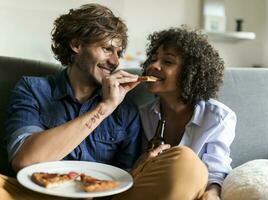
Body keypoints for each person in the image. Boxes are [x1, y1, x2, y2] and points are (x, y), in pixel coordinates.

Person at [1, 3, 142, 199]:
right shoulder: (32, 89)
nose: (115, 61)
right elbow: (25, 160)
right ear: (76, 45)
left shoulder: (126, 109)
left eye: (118, 52)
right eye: (107, 49)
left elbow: (125, 182)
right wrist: (104, 108)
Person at [133, 27, 236, 200]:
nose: (153, 66)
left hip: (192, 192)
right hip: (153, 191)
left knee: (186, 159)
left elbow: (216, 172)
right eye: (153, 59)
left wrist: (213, 192)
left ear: (190, 72)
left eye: (167, 62)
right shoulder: (143, 114)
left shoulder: (218, 117)